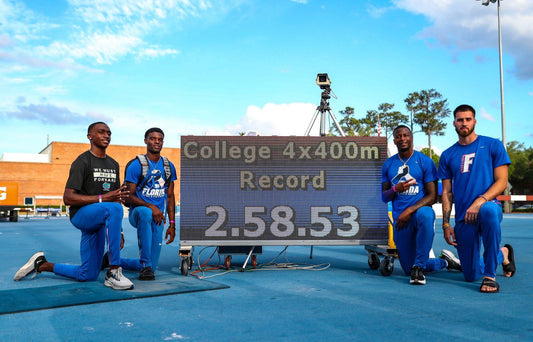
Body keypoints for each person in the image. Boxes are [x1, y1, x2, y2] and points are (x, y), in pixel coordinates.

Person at [13, 122, 134, 290]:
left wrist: (119, 231)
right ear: (89, 136)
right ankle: (114, 271)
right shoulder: (82, 161)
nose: (106, 135)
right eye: (101, 132)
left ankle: (41, 265)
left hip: (101, 217)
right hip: (81, 215)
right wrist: (102, 198)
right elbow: (68, 198)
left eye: (109, 133)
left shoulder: (113, 164)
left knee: (88, 275)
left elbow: (116, 197)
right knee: (114, 208)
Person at [438, 104, 516, 293]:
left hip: (488, 206)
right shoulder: (448, 155)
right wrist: (446, 224)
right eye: (460, 120)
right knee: (470, 274)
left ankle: (490, 276)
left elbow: (502, 182)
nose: (464, 123)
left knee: (488, 210)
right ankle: (502, 253)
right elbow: (447, 192)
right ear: (454, 123)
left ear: (474, 121)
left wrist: (480, 201)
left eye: (467, 119)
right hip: (465, 216)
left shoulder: (492, 145)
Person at [381, 125, 461, 285]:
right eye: (398, 136)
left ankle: (418, 268)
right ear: (394, 140)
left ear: (411, 138)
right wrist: (396, 188)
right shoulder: (389, 164)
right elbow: (384, 197)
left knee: (426, 214)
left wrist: (409, 211)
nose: (402, 138)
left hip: (418, 214)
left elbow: (432, 196)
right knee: (406, 269)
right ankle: (445, 262)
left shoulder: (425, 161)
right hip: (401, 220)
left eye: (406, 135)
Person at [102, 127, 177, 280]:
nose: (156, 142)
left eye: (160, 139)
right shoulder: (137, 165)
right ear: (146, 141)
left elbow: (170, 197)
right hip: (138, 213)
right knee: (145, 212)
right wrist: (151, 206)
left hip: (158, 217)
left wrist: (172, 224)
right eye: (152, 138)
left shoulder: (168, 167)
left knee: (151, 266)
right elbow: (128, 196)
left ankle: (111, 261)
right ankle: (145, 266)